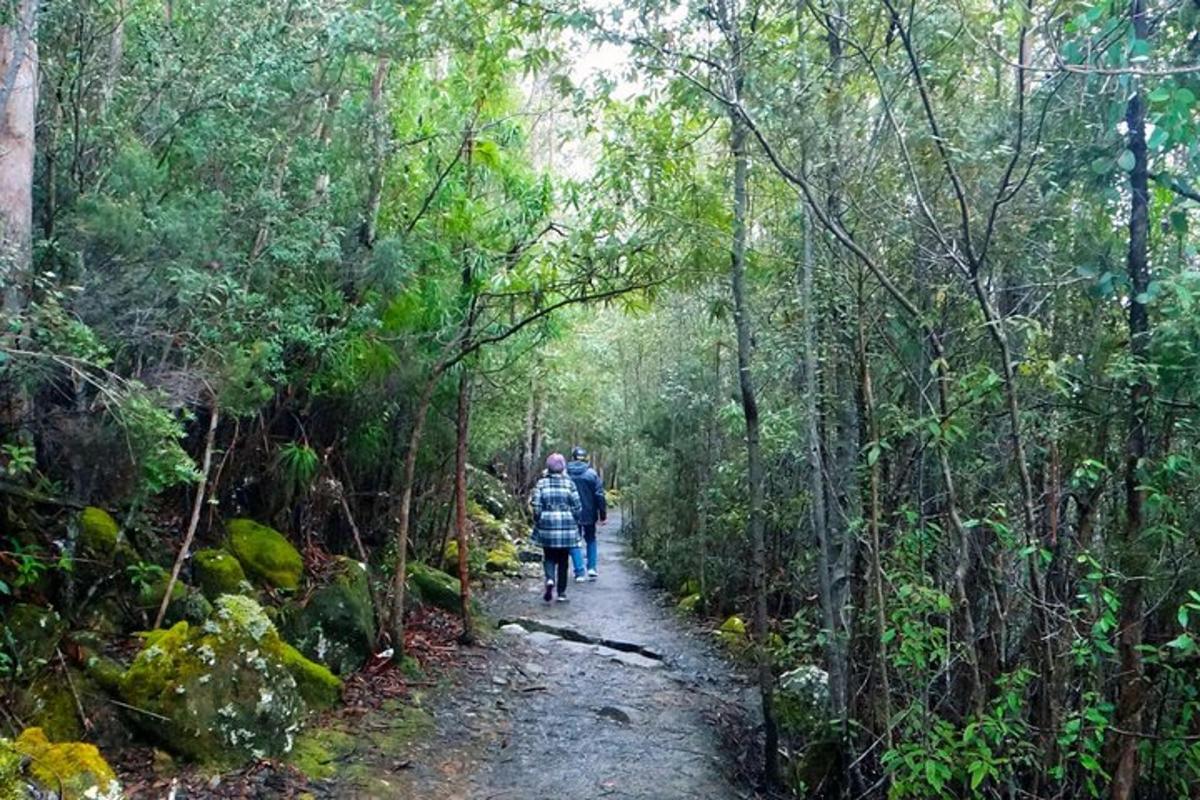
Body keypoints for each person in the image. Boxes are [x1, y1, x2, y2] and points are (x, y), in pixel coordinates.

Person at [530, 452, 582, 603]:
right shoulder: (569, 483)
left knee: (549, 556)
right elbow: (578, 506)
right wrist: (574, 519)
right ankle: (561, 593)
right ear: (563, 468)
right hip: (567, 526)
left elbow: (536, 506)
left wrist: (539, 519)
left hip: (547, 526)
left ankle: (550, 579)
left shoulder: (541, 484)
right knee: (564, 560)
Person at [567, 446, 607, 581]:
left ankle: (579, 572)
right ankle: (592, 568)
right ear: (585, 458)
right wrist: (602, 515)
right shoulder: (591, 474)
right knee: (591, 539)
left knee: (574, 541)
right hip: (589, 513)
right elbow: (599, 495)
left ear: (572, 458)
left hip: (571, 513)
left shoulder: (565, 473)